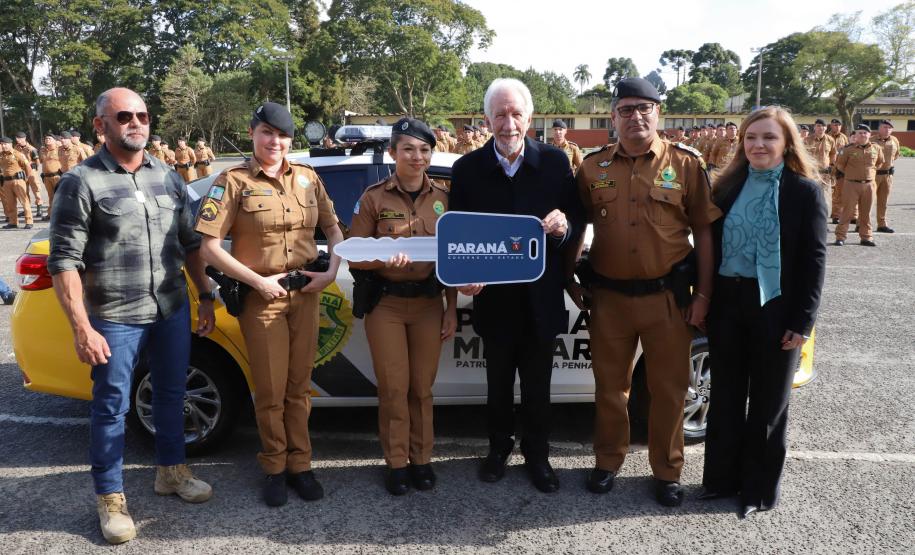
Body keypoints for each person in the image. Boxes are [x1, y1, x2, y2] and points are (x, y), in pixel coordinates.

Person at [47, 87, 214, 545]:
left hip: (170, 308)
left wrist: (205, 295)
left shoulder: (168, 176)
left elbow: (190, 243)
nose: (136, 123)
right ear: (100, 125)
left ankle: (171, 473)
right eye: (124, 116)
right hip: (115, 316)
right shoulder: (80, 181)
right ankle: (110, 498)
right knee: (111, 408)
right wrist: (82, 328)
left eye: (142, 115)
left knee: (172, 394)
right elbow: (64, 262)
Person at [569, 77, 718, 507]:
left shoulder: (686, 164)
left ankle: (667, 471)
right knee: (610, 388)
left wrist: (704, 295)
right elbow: (577, 226)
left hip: (668, 300)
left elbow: (704, 232)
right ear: (613, 117)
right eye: (626, 109)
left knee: (669, 390)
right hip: (609, 299)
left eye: (644, 108)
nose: (635, 116)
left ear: (658, 112)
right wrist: (568, 278)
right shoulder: (592, 167)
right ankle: (608, 460)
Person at [196, 102, 344, 507]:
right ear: (252, 134)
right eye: (266, 132)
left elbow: (334, 230)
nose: (274, 141)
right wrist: (257, 281)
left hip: (306, 295)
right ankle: (275, 467)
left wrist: (331, 271)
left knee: (299, 388)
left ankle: (301, 465)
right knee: (270, 389)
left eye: (282, 135)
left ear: (290, 140)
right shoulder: (233, 181)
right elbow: (209, 247)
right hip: (262, 300)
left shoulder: (308, 178)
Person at [450, 78, 583, 494]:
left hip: (542, 300)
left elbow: (574, 226)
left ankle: (538, 456)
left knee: (539, 388)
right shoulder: (467, 170)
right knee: (498, 386)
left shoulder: (556, 163)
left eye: (516, 114)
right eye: (500, 115)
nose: (508, 124)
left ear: (529, 118)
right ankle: (498, 449)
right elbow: (458, 238)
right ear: (487, 119)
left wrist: (562, 228)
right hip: (494, 302)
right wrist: (465, 275)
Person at [701, 106, 827, 519]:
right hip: (728, 303)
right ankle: (720, 481)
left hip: (777, 306)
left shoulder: (804, 192)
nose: (759, 145)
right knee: (726, 397)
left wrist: (803, 322)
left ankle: (757, 491)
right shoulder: (726, 187)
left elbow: (814, 261)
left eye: (769, 137)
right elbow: (706, 246)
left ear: (787, 143)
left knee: (769, 404)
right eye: (751, 137)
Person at [348, 118, 458, 495]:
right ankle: (396, 462)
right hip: (387, 306)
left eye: (424, 150)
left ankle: (421, 459)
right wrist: (382, 258)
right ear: (393, 152)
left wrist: (451, 308)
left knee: (422, 389)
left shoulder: (445, 198)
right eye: (408, 149)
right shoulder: (373, 198)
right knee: (394, 388)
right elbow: (354, 254)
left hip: (428, 304)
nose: (417, 157)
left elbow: (452, 259)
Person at [834, 124, 884, 247]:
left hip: (869, 185)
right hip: (851, 184)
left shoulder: (876, 148)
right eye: (860, 133)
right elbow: (840, 165)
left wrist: (869, 173)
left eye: (865, 133)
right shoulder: (847, 149)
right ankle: (840, 237)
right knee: (847, 212)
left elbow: (879, 163)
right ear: (855, 135)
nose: (862, 135)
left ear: (869, 135)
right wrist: (852, 174)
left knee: (866, 213)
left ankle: (866, 237)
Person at [0, 136, 35, 229]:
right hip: (6, 182)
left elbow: (27, 167)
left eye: (5, 144)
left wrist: (26, 179)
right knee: (10, 203)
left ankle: (29, 221)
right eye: (2, 144)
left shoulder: (17, 154)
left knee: (24, 201)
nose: (3, 146)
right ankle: (13, 222)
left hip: (18, 181)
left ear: (10, 144)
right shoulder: (1, 155)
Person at [873, 120, 900, 234]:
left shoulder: (894, 140)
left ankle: (882, 224)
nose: (887, 130)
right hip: (873, 175)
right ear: (879, 128)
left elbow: (896, 155)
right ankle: (861, 224)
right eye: (884, 127)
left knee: (883, 202)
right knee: (866, 201)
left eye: (889, 128)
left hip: (887, 176)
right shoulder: (871, 140)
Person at [13, 132, 45, 220]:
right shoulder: (16, 148)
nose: (18, 140)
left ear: (24, 138)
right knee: (24, 190)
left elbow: (37, 162)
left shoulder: (31, 149)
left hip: (31, 171)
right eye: (17, 138)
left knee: (36, 189)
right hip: (21, 171)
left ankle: (39, 207)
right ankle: (26, 208)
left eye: (19, 138)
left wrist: (32, 167)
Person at [804, 119, 837, 200]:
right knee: (811, 196)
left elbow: (833, 153)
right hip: (812, 173)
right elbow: (803, 155)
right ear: (814, 127)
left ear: (826, 128)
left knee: (824, 197)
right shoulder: (807, 140)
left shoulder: (830, 140)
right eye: (818, 126)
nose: (821, 128)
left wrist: (831, 165)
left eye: (823, 126)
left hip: (825, 174)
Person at [828, 119, 850, 223]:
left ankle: (836, 215)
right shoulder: (826, 137)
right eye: (835, 125)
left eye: (839, 125)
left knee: (838, 193)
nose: (837, 127)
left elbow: (847, 152)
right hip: (828, 168)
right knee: (826, 193)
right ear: (831, 126)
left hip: (840, 168)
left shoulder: (844, 138)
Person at [38, 133, 63, 219]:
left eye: (49, 138)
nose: (47, 140)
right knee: (51, 196)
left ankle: (61, 214)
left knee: (59, 196)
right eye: (46, 139)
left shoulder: (59, 150)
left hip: (57, 176)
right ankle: (51, 214)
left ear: (55, 141)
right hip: (46, 177)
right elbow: (40, 161)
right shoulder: (42, 150)